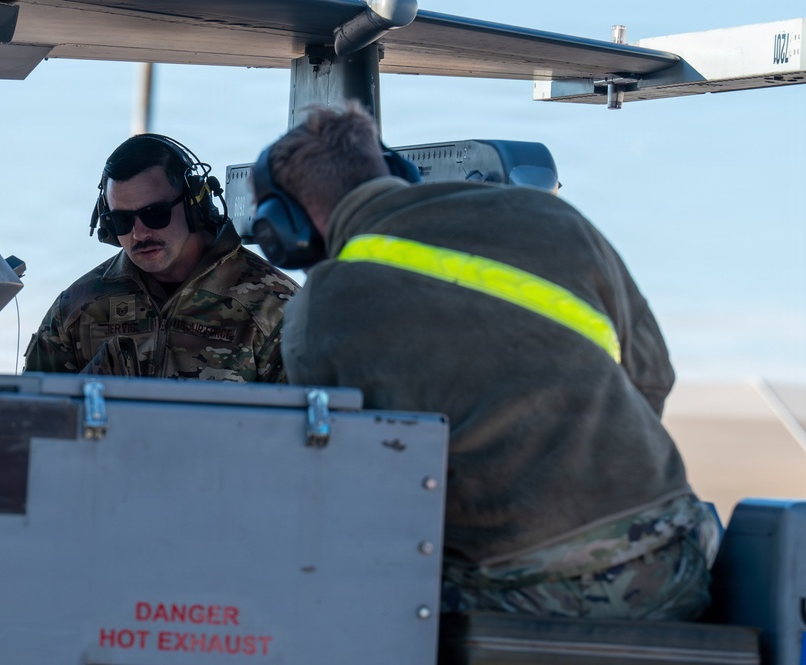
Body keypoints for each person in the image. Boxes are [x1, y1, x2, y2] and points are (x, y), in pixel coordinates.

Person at [252, 103, 720, 620]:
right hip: (677, 557)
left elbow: (345, 483)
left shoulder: (319, 307)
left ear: (285, 227)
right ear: (395, 171)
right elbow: (653, 377)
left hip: (520, 592)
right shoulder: (553, 216)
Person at [24, 134, 299, 382]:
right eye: (121, 220)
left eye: (155, 213)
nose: (139, 233)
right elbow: (30, 419)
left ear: (194, 205)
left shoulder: (274, 307)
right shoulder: (77, 308)